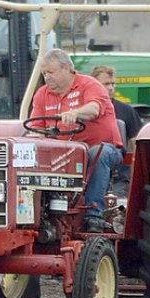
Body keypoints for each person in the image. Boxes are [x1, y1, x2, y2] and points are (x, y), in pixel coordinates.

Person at [32, 48, 122, 233]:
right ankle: (34, 214)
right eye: (44, 74)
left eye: (51, 72)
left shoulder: (90, 85)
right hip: (62, 153)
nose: (47, 77)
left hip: (102, 151)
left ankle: (93, 214)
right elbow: (36, 128)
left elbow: (94, 109)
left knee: (97, 152)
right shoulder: (42, 94)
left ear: (66, 69)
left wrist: (76, 113)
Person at [92, 64, 139, 191]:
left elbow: (137, 145)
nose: (111, 88)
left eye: (113, 84)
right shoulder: (84, 110)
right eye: (106, 84)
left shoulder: (127, 111)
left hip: (118, 178)